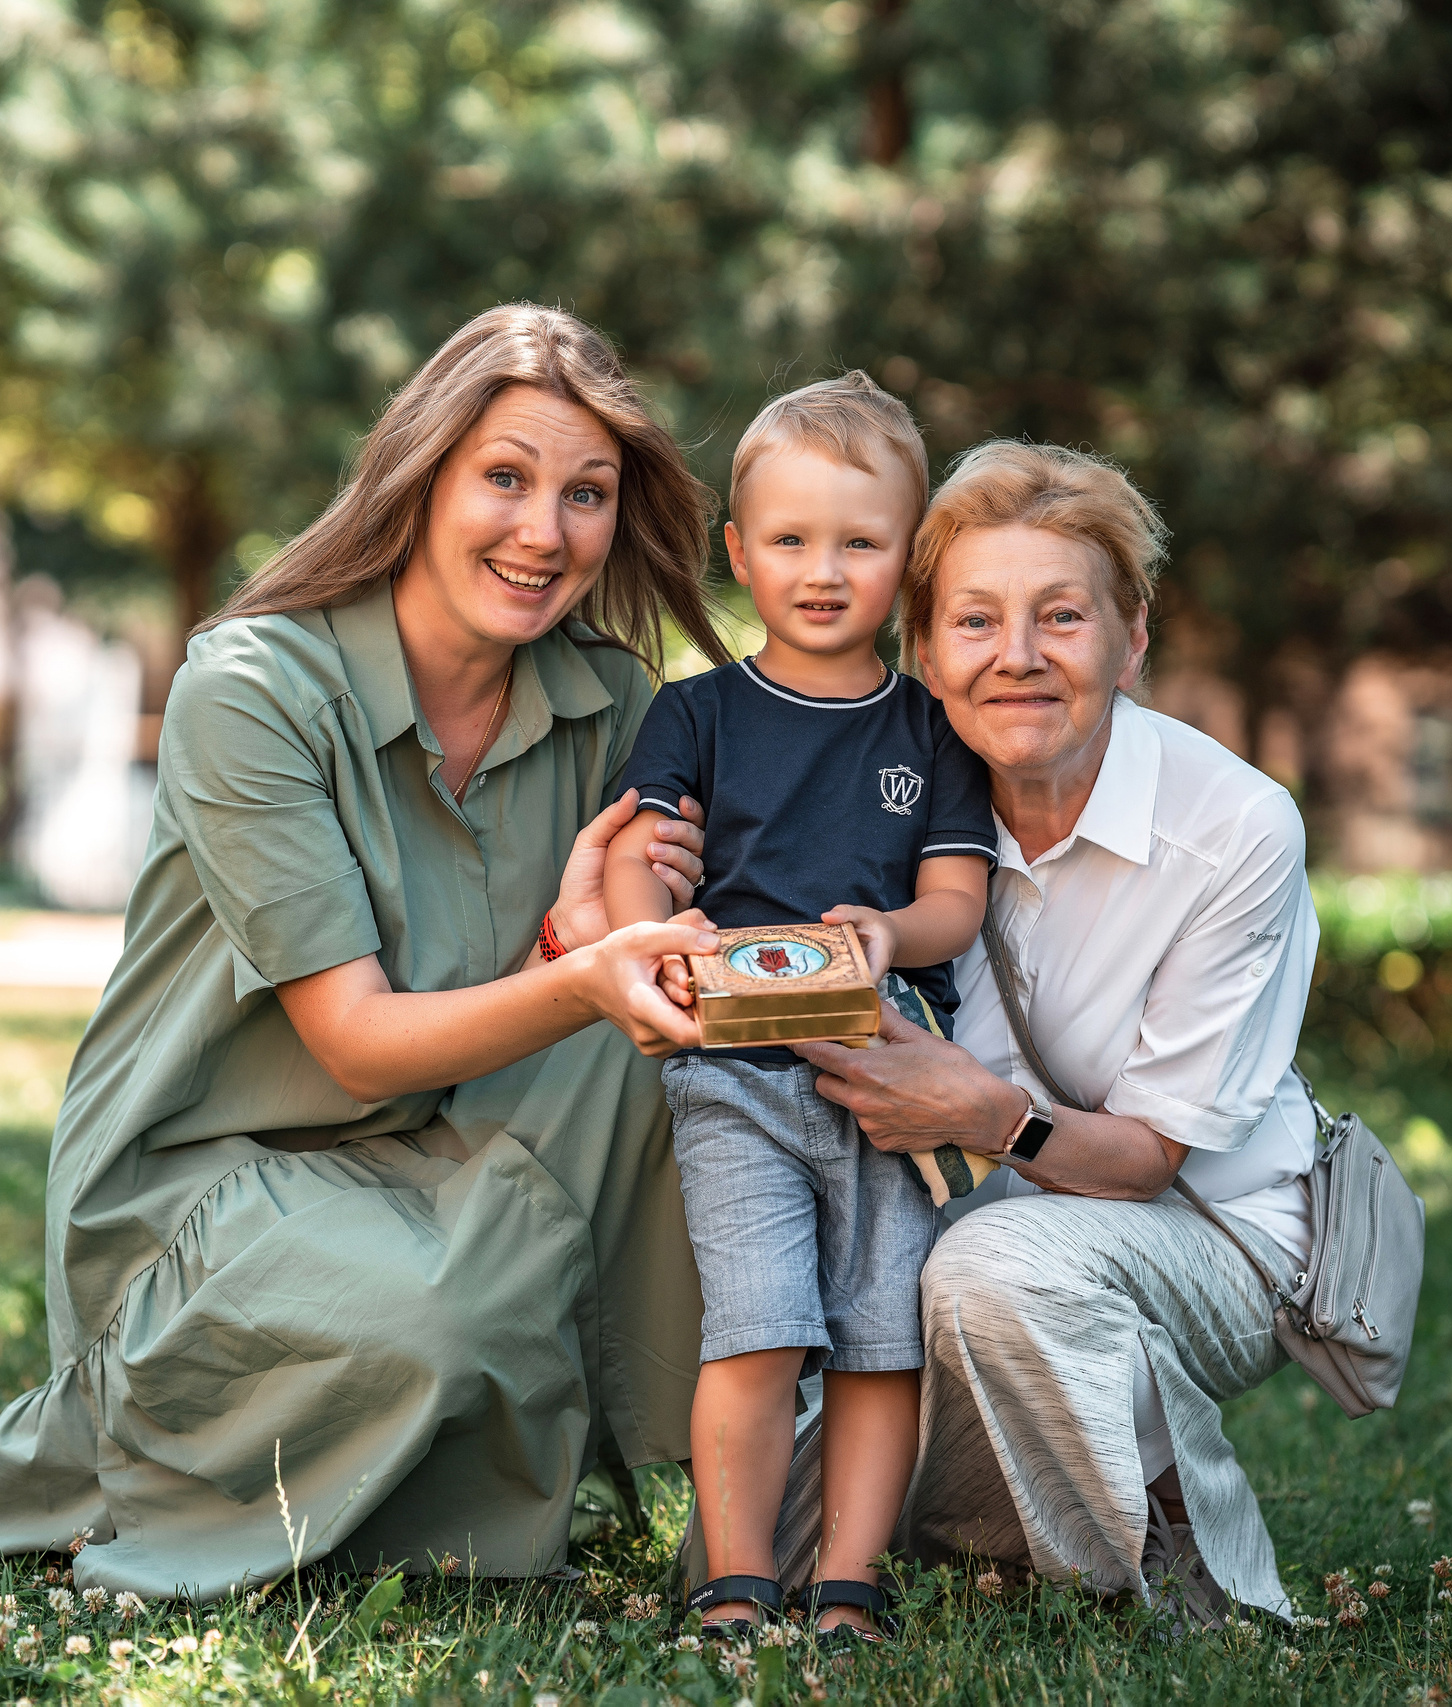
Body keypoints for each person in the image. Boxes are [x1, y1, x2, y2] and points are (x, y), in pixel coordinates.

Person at [0, 304, 736, 1598]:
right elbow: (355, 1038)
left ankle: (787, 1510)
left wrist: (611, 930)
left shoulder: (616, 705)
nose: (546, 531)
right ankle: (96, 1454)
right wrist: (581, 973)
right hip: (221, 1177)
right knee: (444, 1316)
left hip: (458, 1141)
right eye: (506, 476)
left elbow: (595, 956)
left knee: (721, 1098)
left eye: (587, 493)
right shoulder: (255, 687)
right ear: (421, 477)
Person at [781, 440, 1323, 1627]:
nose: (1015, 656)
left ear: (1132, 637)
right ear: (922, 650)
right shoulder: (887, 793)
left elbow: (1148, 1162)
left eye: (1061, 616)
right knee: (779, 1544)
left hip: (1209, 1231)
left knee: (996, 1271)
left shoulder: (1232, 828)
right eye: (974, 620)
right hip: (970, 1214)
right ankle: (998, 1535)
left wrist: (980, 1112)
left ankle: (1181, 1577)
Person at [604, 375, 994, 1642]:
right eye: (788, 540)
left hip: (889, 1080)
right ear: (737, 551)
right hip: (734, 1077)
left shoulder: (929, 730)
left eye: (860, 543)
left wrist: (891, 932)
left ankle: (848, 1579)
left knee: (884, 1340)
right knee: (758, 1327)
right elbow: (641, 849)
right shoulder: (699, 709)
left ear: (910, 557)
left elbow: (954, 901)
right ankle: (733, 1579)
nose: (822, 572)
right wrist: (651, 922)